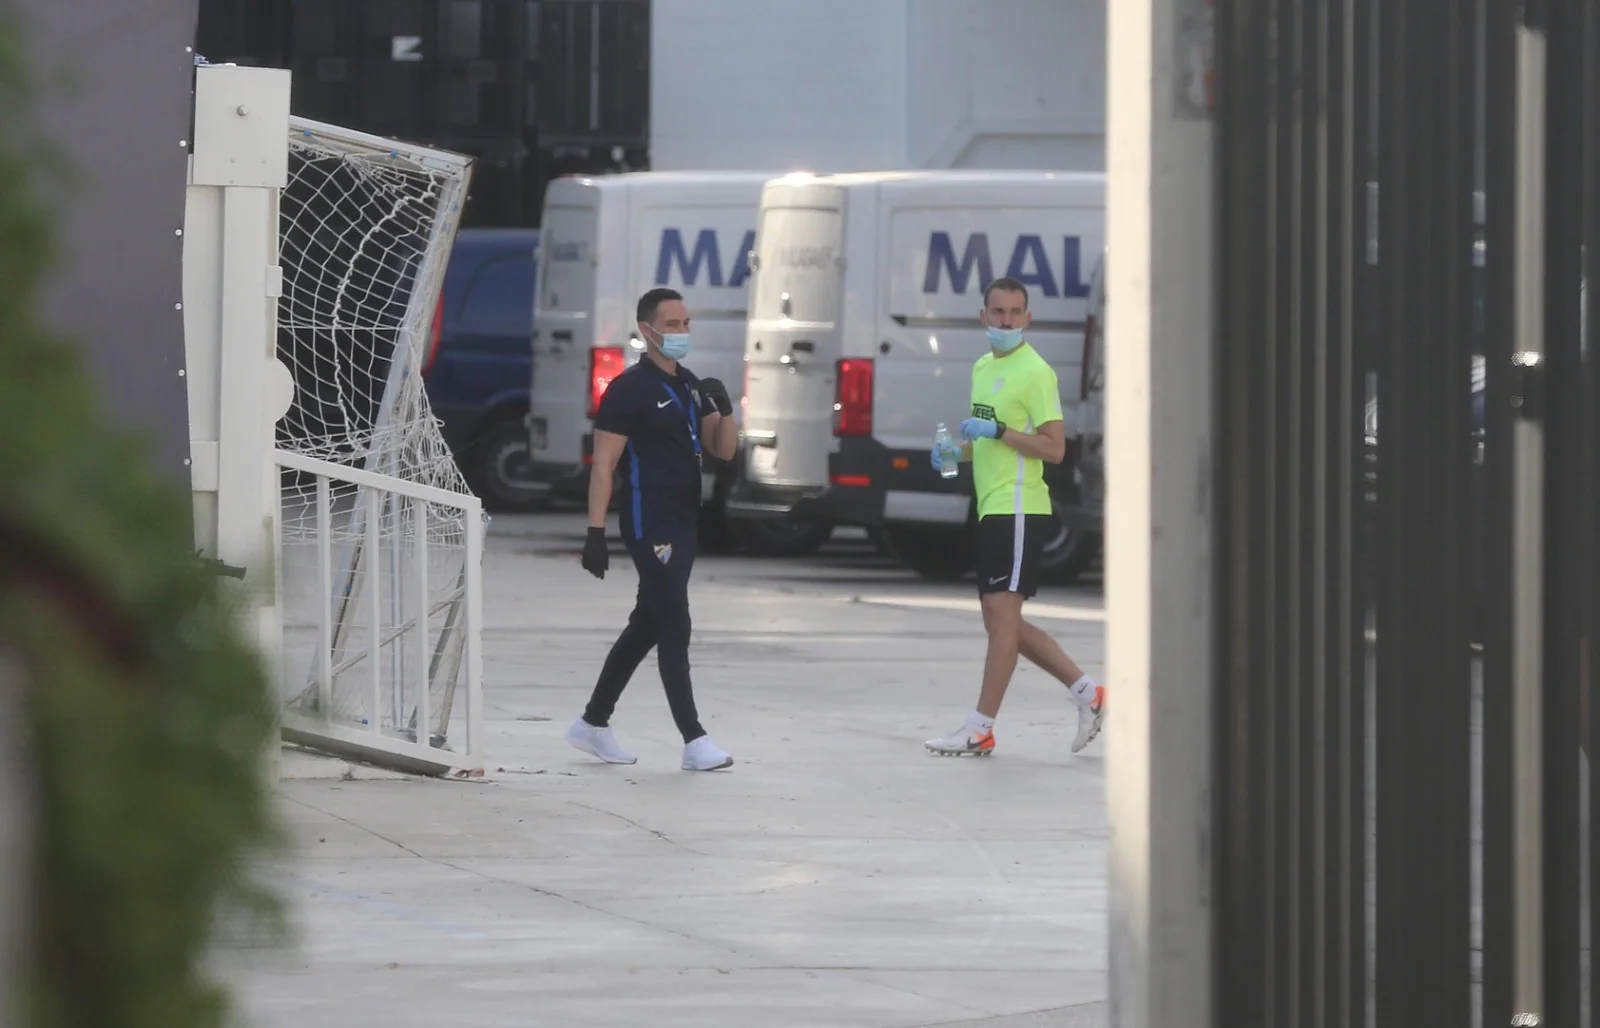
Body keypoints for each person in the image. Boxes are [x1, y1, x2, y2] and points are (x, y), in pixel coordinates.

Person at [925, 277, 1107, 757]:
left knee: (1002, 620)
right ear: (983, 316)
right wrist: (954, 453)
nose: (1006, 320)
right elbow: (986, 443)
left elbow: (1054, 447)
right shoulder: (983, 366)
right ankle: (1089, 693)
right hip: (992, 506)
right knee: (1000, 622)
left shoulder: (1036, 373)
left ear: (1028, 318)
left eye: (1015, 312)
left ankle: (980, 727)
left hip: (1021, 508)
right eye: (998, 311)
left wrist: (1000, 429)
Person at [565, 287, 740, 771]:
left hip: (685, 522)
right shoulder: (628, 390)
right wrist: (595, 533)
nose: (682, 332)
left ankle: (592, 723)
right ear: (647, 331)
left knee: (647, 624)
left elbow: (723, 450)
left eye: (686, 324)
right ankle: (694, 738)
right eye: (672, 324)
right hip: (650, 524)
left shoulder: (689, 385)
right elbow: (605, 465)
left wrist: (725, 411)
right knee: (674, 623)